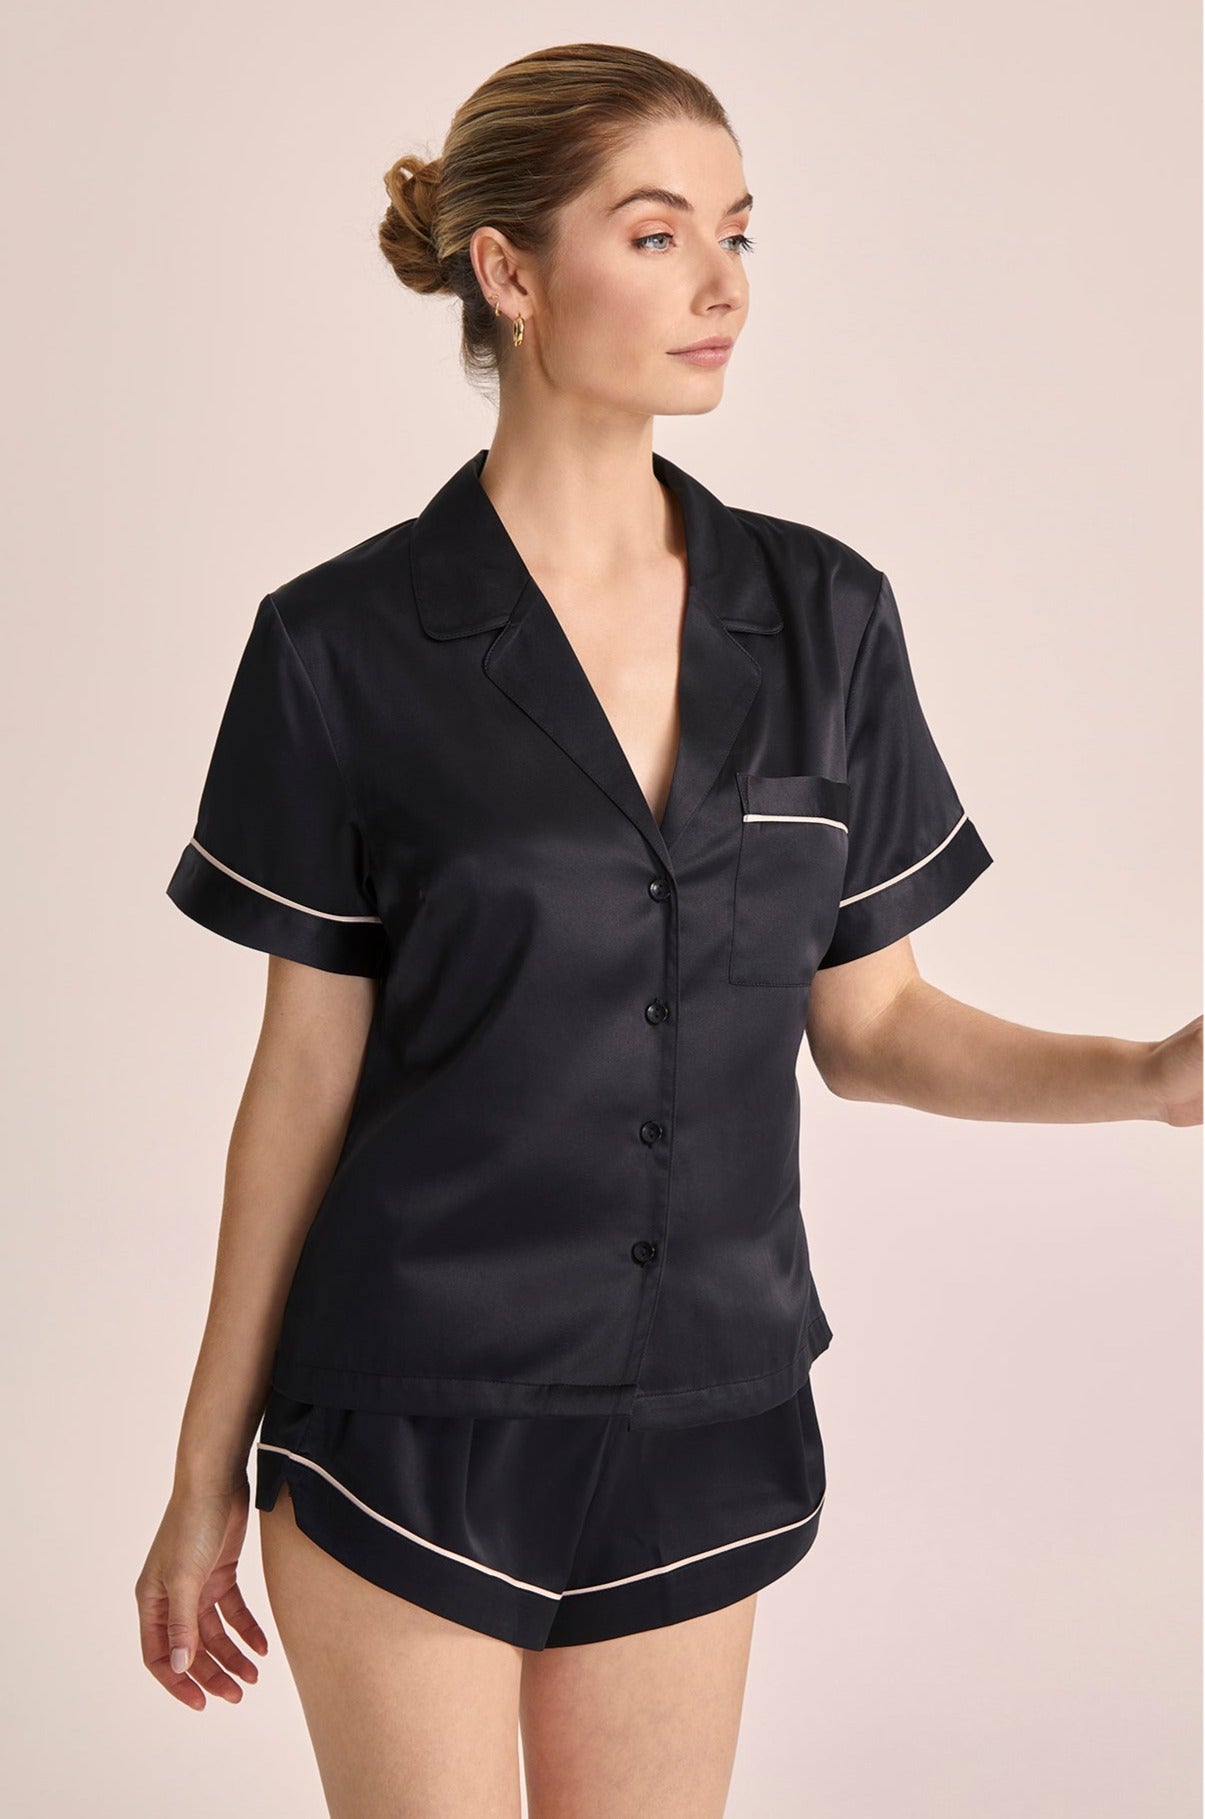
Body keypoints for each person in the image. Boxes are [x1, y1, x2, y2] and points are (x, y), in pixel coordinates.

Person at [135, 40, 1202, 1819]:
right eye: (655, 235)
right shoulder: (339, 647)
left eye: (737, 230)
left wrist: (1155, 1077)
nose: (723, 285)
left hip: (700, 1412)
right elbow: (301, 1079)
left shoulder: (824, 617)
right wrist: (199, 1479)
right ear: (507, 270)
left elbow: (872, 1027)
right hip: (410, 1413)